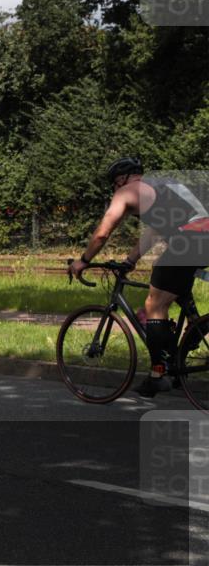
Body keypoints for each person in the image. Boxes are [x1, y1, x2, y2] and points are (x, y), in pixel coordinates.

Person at [70, 158, 209, 397]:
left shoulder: (126, 191)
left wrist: (83, 260)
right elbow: (154, 231)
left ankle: (158, 375)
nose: (116, 189)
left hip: (189, 240)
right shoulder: (160, 186)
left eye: (115, 184)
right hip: (201, 238)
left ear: (122, 179)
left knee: (154, 304)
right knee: (171, 289)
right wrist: (130, 260)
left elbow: (103, 233)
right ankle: (186, 346)